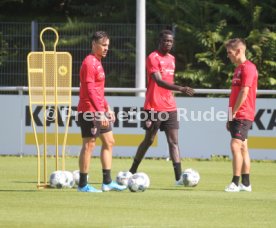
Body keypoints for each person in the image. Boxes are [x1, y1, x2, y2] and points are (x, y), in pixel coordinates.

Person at [129, 29, 195, 185]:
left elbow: (167, 81)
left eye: (171, 41)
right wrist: (181, 88)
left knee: (173, 142)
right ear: (160, 41)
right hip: (153, 106)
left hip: (170, 106)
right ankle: (131, 171)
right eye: (166, 40)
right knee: (149, 140)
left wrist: (176, 91)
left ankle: (178, 178)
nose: (168, 43)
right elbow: (158, 81)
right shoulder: (153, 57)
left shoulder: (172, 59)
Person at [77, 31, 126, 192]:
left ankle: (107, 182)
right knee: (89, 144)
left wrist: (107, 107)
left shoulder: (98, 62)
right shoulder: (89, 63)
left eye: (107, 46)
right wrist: (100, 112)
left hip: (98, 110)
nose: (106, 49)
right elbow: (90, 90)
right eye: (103, 45)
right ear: (94, 44)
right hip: (89, 111)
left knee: (109, 142)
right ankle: (83, 185)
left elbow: (98, 91)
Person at [224, 38, 258, 192]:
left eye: (229, 53)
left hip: (243, 114)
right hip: (237, 114)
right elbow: (235, 94)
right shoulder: (238, 69)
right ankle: (246, 183)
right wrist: (229, 116)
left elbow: (244, 92)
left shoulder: (249, 68)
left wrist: (235, 112)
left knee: (235, 145)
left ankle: (235, 183)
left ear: (239, 51)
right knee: (243, 147)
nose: (228, 56)